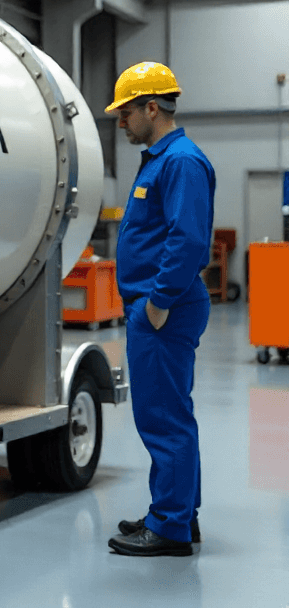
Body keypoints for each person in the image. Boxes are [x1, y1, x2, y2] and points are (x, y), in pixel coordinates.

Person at [104, 61, 215, 557]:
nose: (121, 122)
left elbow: (188, 239)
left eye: (126, 113)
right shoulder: (160, 159)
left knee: (162, 418)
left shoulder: (180, 162)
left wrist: (158, 303)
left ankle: (169, 526)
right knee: (169, 414)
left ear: (153, 108)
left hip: (163, 310)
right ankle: (175, 515)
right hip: (158, 306)